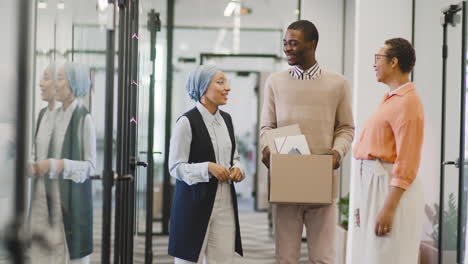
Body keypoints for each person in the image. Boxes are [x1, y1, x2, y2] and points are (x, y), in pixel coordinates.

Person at [260, 20, 355, 263]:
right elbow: (266, 127)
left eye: (294, 43)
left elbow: (346, 128)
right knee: (285, 257)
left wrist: (337, 152)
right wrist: (267, 148)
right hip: (286, 183)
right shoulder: (275, 82)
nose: (287, 48)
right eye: (285, 43)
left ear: (312, 44)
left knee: (323, 257)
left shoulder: (338, 83)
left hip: (322, 183)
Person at [351, 37, 424, 264]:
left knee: (387, 256)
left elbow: (407, 161)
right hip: (377, 186)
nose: (374, 64)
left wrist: (388, 208)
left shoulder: (407, 102)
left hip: (390, 190)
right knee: (374, 255)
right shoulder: (392, 99)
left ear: (393, 62)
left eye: (378, 58)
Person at [168, 65, 244, 264]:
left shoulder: (227, 120)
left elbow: (234, 157)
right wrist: (207, 168)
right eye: (220, 82)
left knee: (223, 260)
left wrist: (238, 169)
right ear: (202, 87)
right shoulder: (186, 122)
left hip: (225, 202)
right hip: (193, 204)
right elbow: (175, 167)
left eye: (226, 82)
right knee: (188, 260)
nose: (227, 87)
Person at [34, 62, 96, 264]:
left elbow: (90, 167)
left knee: (75, 255)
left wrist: (60, 165)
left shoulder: (84, 118)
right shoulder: (54, 116)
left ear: (74, 84)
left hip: (73, 199)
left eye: (60, 79)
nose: (56, 85)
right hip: (51, 198)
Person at [29, 64, 59, 263]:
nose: (40, 83)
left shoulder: (67, 117)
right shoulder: (41, 114)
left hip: (58, 194)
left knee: (55, 250)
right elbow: (35, 150)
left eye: (46, 78)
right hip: (39, 192)